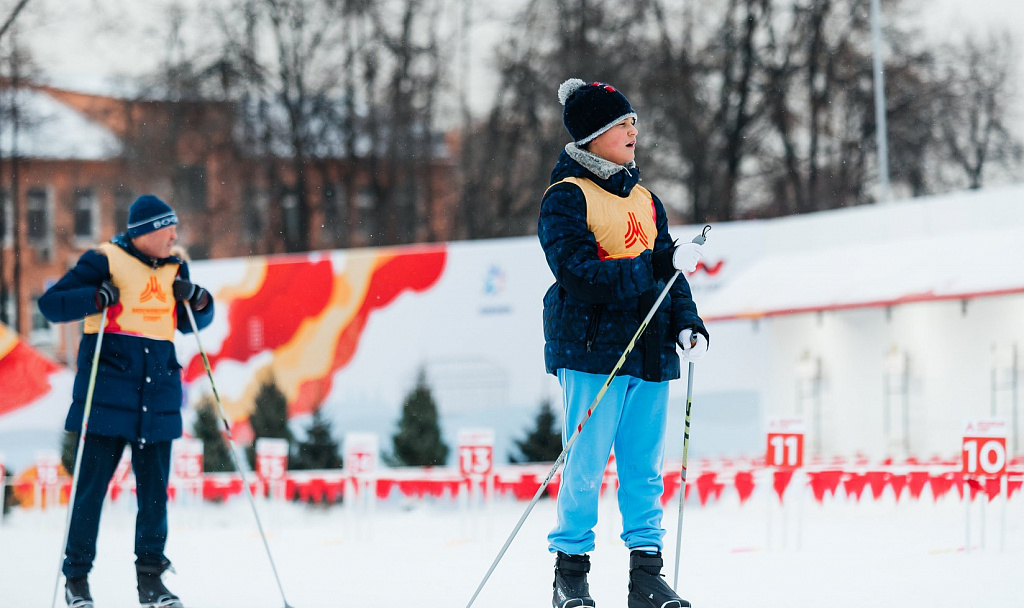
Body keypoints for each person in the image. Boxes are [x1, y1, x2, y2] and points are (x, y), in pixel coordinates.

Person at [538, 79, 710, 608]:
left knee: (643, 470)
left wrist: (687, 323)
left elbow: (669, 277)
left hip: (651, 352)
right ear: (592, 135)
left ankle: (646, 575)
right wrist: (656, 263)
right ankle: (570, 573)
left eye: (634, 122)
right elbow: (580, 275)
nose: (633, 131)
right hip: (593, 351)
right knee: (586, 466)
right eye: (621, 124)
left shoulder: (647, 200)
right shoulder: (567, 197)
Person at [39, 194, 215, 608]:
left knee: (154, 497)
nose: (175, 236)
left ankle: (151, 582)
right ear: (146, 232)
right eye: (168, 229)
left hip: (159, 400)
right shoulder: (103, 261)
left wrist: (199, 299)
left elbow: (195, 323)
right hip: (107, 400)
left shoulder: (176, 267)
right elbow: (51, 305)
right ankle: (77, 580)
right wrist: (95, 297)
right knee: (90, 493)